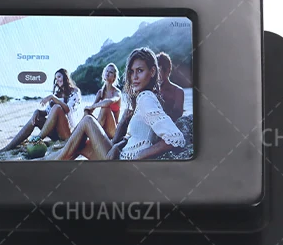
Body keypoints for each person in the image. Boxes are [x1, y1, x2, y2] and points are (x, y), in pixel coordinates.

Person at [48, 48, 185, 161]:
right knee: (81, 145)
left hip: (121, 160)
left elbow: (175, 137)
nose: (134, 77)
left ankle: (49, 162)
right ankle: (47, 160)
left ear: (153, 72)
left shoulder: (146, 98)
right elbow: (139, 135)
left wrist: (139, 155)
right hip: (120, 154)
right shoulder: (145, 97)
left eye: (140, 71)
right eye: (131, 72)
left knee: (88, 121)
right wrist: (118, 145)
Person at [0, 68, 82, 152]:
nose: (57, 80)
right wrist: (37, 111)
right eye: (56, 78)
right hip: (55, 133)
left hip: (67, 133)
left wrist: (52, 97)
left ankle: (37, 139)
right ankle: (9, 147)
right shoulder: (57, 94)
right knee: (36, 118)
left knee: (57, 107)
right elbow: (47, 112)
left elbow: (68, 110)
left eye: (59, 77)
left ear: (65, 77)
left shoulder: (75, 92)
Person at [82, 62, 122, 137]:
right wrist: (88, 109)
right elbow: (91, 110)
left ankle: (92, 136)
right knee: (87, 112)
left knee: (105, 108)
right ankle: (75, 136)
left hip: (112, 130)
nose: (108, 73)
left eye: (111, 72)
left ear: (114, 77)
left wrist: (93, 106)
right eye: (107, 71)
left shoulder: (117, 92)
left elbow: (109, 102)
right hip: (102, 127)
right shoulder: (100, 92)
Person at [156, 52, 185, 122]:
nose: (158, 76)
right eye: (156, 72)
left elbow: (177, 115)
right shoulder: (151, 91)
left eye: (159, 71)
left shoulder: (178, 92)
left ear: (168, 70)